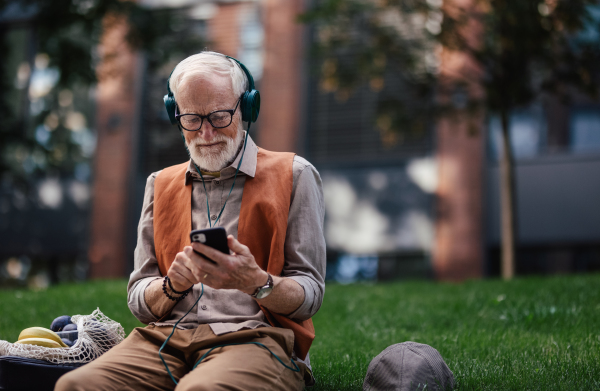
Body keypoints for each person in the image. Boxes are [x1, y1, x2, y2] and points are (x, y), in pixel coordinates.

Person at [56, 51, 326, 391]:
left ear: (247, 108)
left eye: (219, 116)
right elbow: (139, 298)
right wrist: (173, 285)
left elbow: (311, 293)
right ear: (175, 115)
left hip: (256, 337)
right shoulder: (159, 183)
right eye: (192, 119)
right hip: (164, 340)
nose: (206, 133)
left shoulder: (295, 175)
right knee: (75, 386)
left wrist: (257, 281)